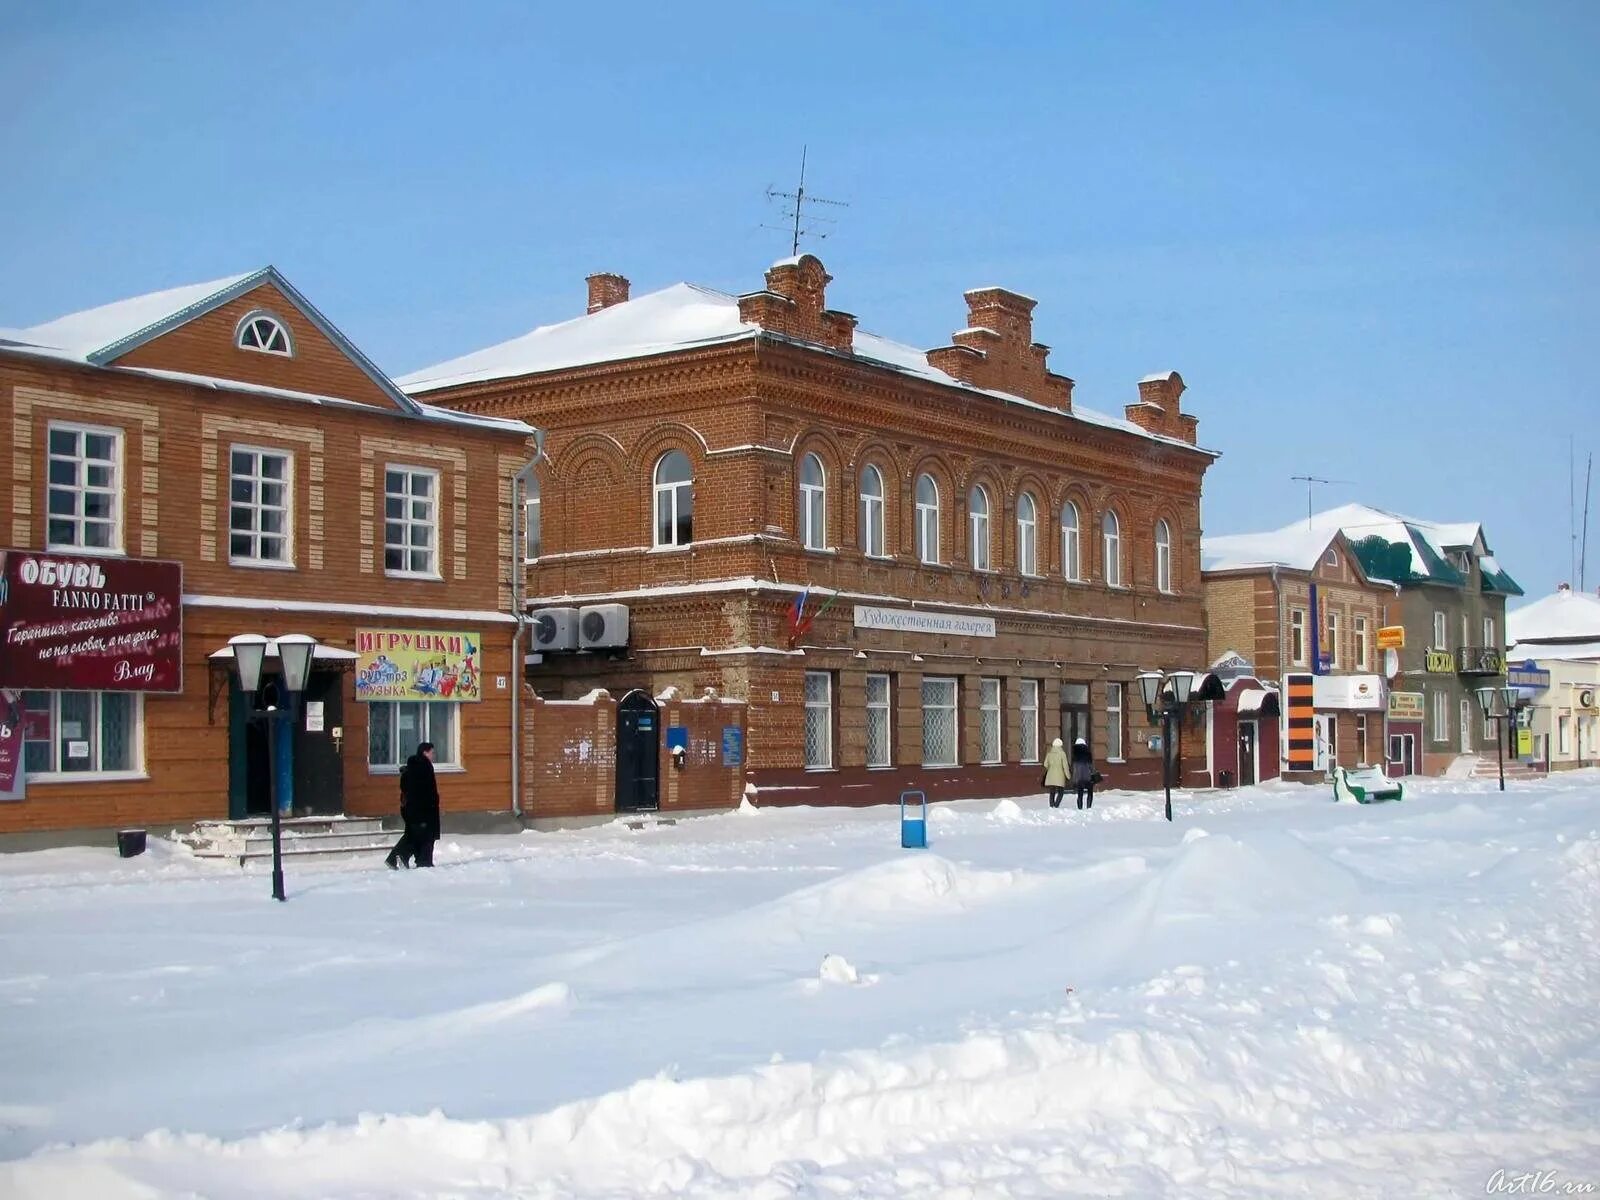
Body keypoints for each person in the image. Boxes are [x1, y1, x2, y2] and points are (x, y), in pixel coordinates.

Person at [385, 741, 440, 869]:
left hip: (412, 809)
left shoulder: (413, 767)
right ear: (425, 753)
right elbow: (424, 791)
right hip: (422, 810)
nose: (433, 755)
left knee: (415, 835)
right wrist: (429, 806)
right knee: (421, 836)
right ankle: (417, 861)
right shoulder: (423, 767)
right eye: (432, 753)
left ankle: (414, 860)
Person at [1042, 736, 1069, 808]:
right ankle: (1056, 805)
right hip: (1060, 776)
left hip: (1050, 775)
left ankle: (1051, 805)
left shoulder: (1049, 753)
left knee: (1052, 791)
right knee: (1061, 791)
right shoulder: (1062, 753)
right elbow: (1065, 766)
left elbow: (1045, 764)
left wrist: (1050, 768)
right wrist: (1068, 775)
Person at [1071, 736, 1096, 810]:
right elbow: (1091, 766)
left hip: (1079, 777)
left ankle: (1080, 808)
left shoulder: (1075, 756)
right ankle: (1088, 807)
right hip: (1088, 777)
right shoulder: (1088, 754)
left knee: (1080, 794)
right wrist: (1093, 773)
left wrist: (1074, 778)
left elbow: (1075, 768)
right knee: (1090, 793)